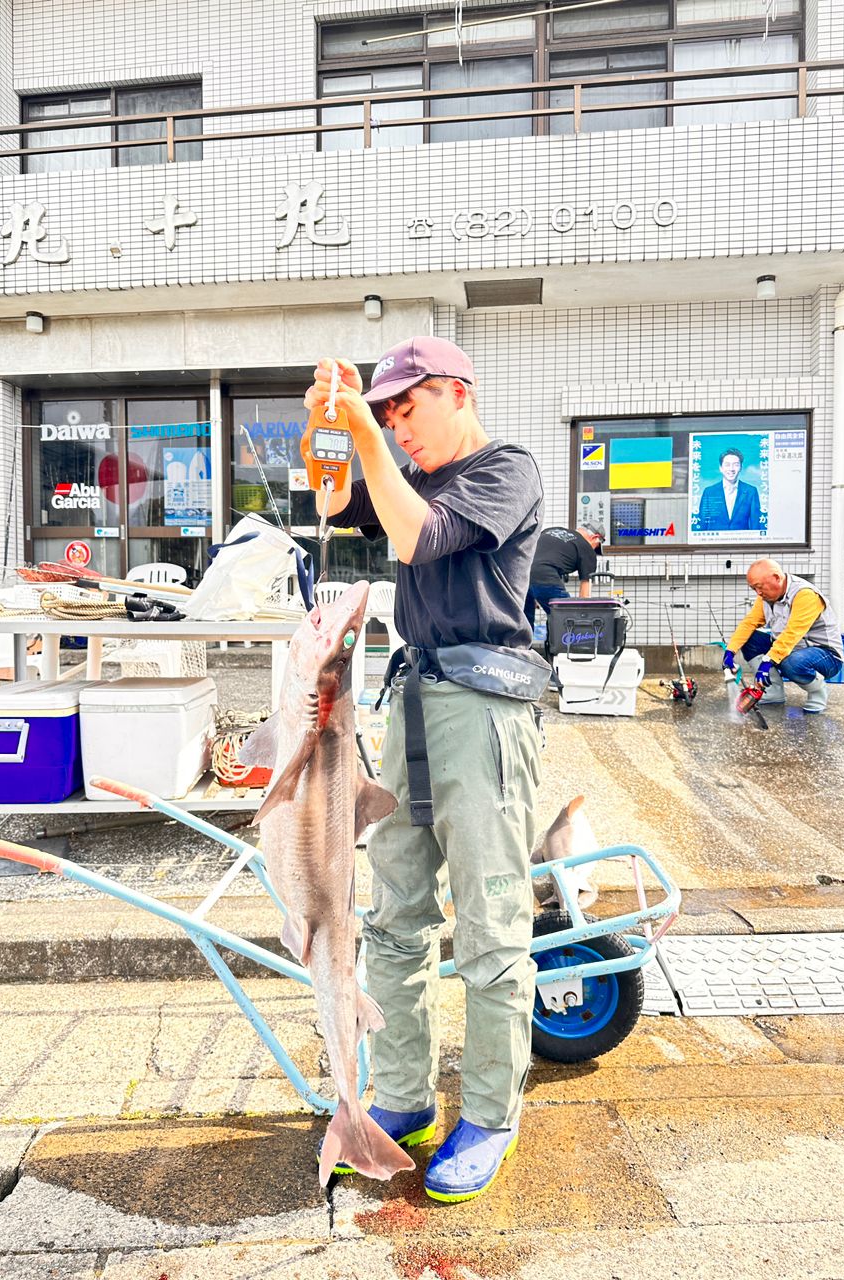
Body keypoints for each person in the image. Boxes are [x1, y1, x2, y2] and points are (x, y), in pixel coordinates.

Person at [304, 336, 544, 1202]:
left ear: (458, 392)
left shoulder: (504, 469)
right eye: (390, 411)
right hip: (410, 700)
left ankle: (489, 1113)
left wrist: (363, 431)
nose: (399, 428)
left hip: (485, 707)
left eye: (410, 407)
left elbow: (414, 540)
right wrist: (327, 429)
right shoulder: (409, 473)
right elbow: (336, 500)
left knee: (490, 919)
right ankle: (403, 1098)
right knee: (397, 916)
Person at [722, 557, 844, 714]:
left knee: (791, 662)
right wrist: (730, 651)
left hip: (825, 655)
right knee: (750, 640)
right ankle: (773, 691)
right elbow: (749, 623)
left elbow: (791, 634)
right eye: (754, 589)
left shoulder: (805, 595)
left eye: (759, 587)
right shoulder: (765, 597)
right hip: (789, 649)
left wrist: (767, 661)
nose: (758, 593)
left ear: (777, 578)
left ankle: (818, 692)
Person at [523, 521, 604, 627]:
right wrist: (583, 615)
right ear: (595, 537)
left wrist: (535, 592)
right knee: (568, 618)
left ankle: (519, 644)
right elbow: (585, 595)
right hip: (545, 577)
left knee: (524, 623)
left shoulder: (552, 530)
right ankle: (564, 643)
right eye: (596, 546)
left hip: (521, 574)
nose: (594, 549)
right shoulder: (587, 549)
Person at [695, 447, 763, 532]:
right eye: (727, 464)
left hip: (741, 543)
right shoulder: (709, 492)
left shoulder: (751, 491)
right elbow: (702, 525)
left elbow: (756, 526)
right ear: (721, 468)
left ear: (741, 467)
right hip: (715, 543)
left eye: (736, 464)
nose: (731, 469)